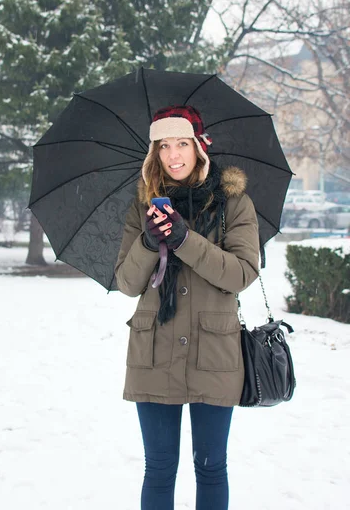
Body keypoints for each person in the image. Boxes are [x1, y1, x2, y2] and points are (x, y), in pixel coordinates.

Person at [115, 105, 260, 510]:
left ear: (199, 147)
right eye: (164, 146)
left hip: (214, 353)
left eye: (182, 143)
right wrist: (148, 242)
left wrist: (183, 239)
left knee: (211, 468)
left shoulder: (233, 203)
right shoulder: (142, 207)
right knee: (159, 469)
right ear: (154, 153)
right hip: (154, 352)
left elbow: (241, 274)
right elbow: (127, 283)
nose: (174, 155)